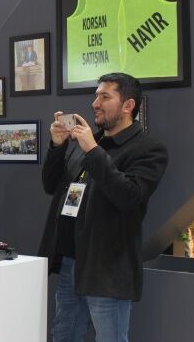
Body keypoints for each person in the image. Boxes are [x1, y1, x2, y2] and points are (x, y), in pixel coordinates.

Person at [38, 73, 168, 342]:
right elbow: (51, 186)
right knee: (63, 336)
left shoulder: (148, 149)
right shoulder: (88, 142)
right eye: (96, 95)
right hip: (70, 263)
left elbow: (129, 196)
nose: (95, 103)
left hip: (108, 269)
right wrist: (58, 146)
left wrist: (93, 150)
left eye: (105, 97)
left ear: (128, 105)